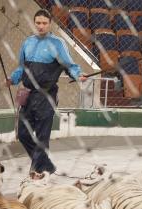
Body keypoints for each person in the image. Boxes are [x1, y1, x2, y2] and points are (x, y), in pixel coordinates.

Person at [6, 9, 87, 179]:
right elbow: (21, 67)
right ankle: (46, 165)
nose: (41, 26)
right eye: (38, 23)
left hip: (46, 95)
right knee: (22, 133)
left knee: (42, 136)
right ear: (34, 23)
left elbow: (70, 65)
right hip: (28, 94)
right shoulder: (27, 43)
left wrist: (78, 75)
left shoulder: (57, 44)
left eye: (44, 23)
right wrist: (12, 79)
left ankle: (35, 170)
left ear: (49, 24)